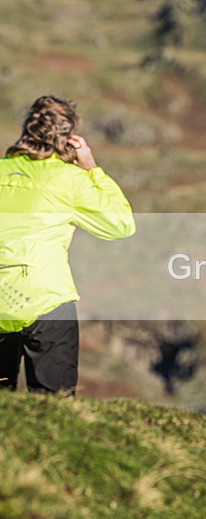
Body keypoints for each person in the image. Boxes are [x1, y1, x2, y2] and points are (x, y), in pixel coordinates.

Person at [0, 95, 136, 395]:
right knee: (55, 406)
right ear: (69, 138)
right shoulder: (69, 180)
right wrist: (92, 169)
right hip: (47, 304)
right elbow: (121, 225)